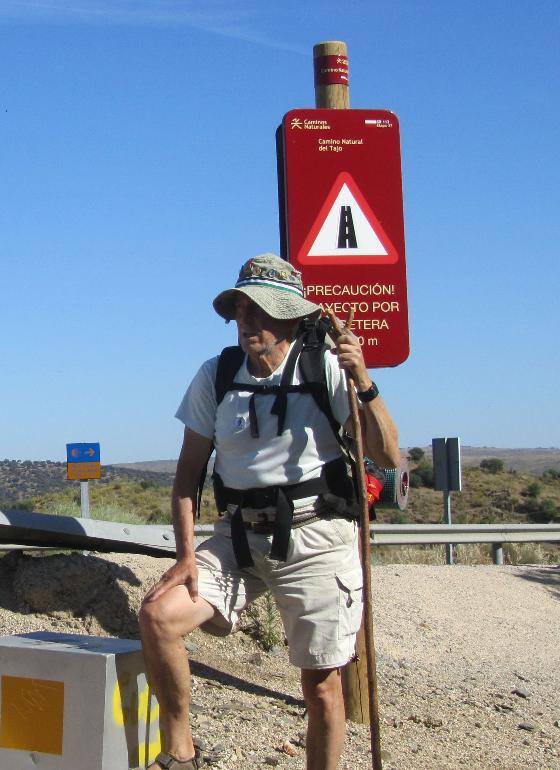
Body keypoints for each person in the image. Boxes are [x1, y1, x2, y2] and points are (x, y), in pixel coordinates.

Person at [137, 254, 399, 770]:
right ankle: (180, 753)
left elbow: (388, 456)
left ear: (290, 317)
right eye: (240, 309)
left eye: (259, 310)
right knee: (158, 615)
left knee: (320, 686)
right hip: (237, 538)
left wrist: (364, 382)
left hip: (316, 539)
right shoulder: (217, 374)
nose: (246, 320)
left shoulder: (325, 367)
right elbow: (187, 475)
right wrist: (186, 556)